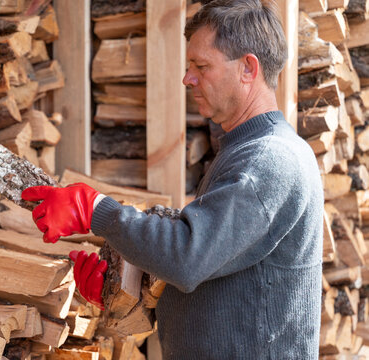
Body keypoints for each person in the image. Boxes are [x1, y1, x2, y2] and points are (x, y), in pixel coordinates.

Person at [22, 0, 324, 358]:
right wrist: (124, 290)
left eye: (201, 66)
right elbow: (221, 274)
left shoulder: (268, 160)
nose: (187, 78)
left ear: (248, 68)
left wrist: (97, 209)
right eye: (188, 65)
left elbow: (188, 254)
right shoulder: (246, 151)